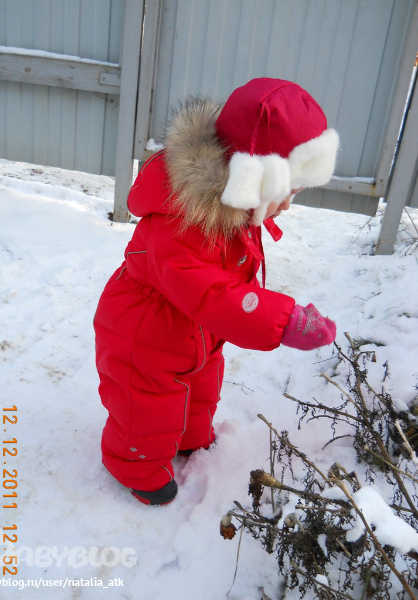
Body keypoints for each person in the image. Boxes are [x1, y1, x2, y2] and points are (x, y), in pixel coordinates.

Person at [94, 78, 339, 505]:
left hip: (197, 330)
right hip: (145, 332)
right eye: (282, 193)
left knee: (202, 385)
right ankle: (134, 465)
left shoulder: (234, 210)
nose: (285, 206)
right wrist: (282, 320)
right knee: (147, 404)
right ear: (250, 178)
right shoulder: (179, 221)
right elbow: (212, 293)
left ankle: (190, 436)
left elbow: (227, 279)